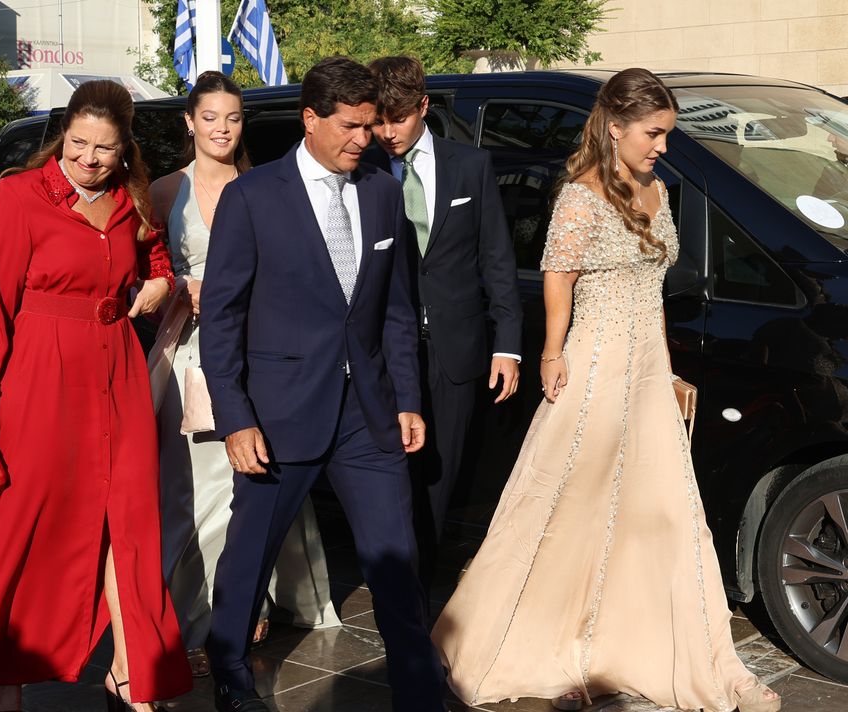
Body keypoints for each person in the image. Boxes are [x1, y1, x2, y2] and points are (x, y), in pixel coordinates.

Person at [431, 68, 781, 712]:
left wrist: (666, 365)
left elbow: (651, 285)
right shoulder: (580, 195)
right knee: (567, 501)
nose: (662, 146)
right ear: (615, 127)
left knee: (663, 509)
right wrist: (551, 352)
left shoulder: (655, 186)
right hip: (593, 366)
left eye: (667, 135)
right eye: (654, 133)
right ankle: (526, 636)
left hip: (647, 366)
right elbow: (558, 278)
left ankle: (656, 642)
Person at [0, 80, 192, 711]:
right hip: (40, 375)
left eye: (104, 148)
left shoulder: (133, 200)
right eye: (78, 144)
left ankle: (133, 676)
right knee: (24, 528)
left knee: (128, 520)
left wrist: (159, 284)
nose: (89, 159)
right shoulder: (21, 195)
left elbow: (155, 257)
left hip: (118, 369)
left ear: (125, 148)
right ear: (62, 136)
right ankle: (6, 685)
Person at [200, 57, 445, 712]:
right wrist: (236, 416)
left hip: (369, 413)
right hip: (278, 415)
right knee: (250, 555)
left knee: (396, 558)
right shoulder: (252, 198)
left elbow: (395, 311)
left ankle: (419, 690)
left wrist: (408, 400)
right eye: (350, 127)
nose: (363, 139)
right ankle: (229, 673)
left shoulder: (383, 191)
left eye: (370, 127)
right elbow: (220, 319)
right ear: (310, 120)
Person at [148, 71, 338, 679]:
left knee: (246, 485)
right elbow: (140, 274)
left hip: (255, 355)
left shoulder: (264, 187)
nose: (222, 129)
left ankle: (246, 604)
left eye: (232, 118)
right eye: (210, 118)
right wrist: (179, 285)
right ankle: (184, 612)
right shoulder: (161, 191)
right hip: (184, 356)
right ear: (189, 123)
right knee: (186, 488)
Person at [367, 56, 523, 590]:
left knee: (439, 481)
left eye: (399, 119)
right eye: (379, 120)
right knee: (391, 479)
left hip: (456, 351)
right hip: (385, 352)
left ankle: (419, 592)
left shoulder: (470, 166)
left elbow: (496, 260)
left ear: (424, 108)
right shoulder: (361, 169)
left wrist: (508, 346)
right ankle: (398, 588)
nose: (388, 133)